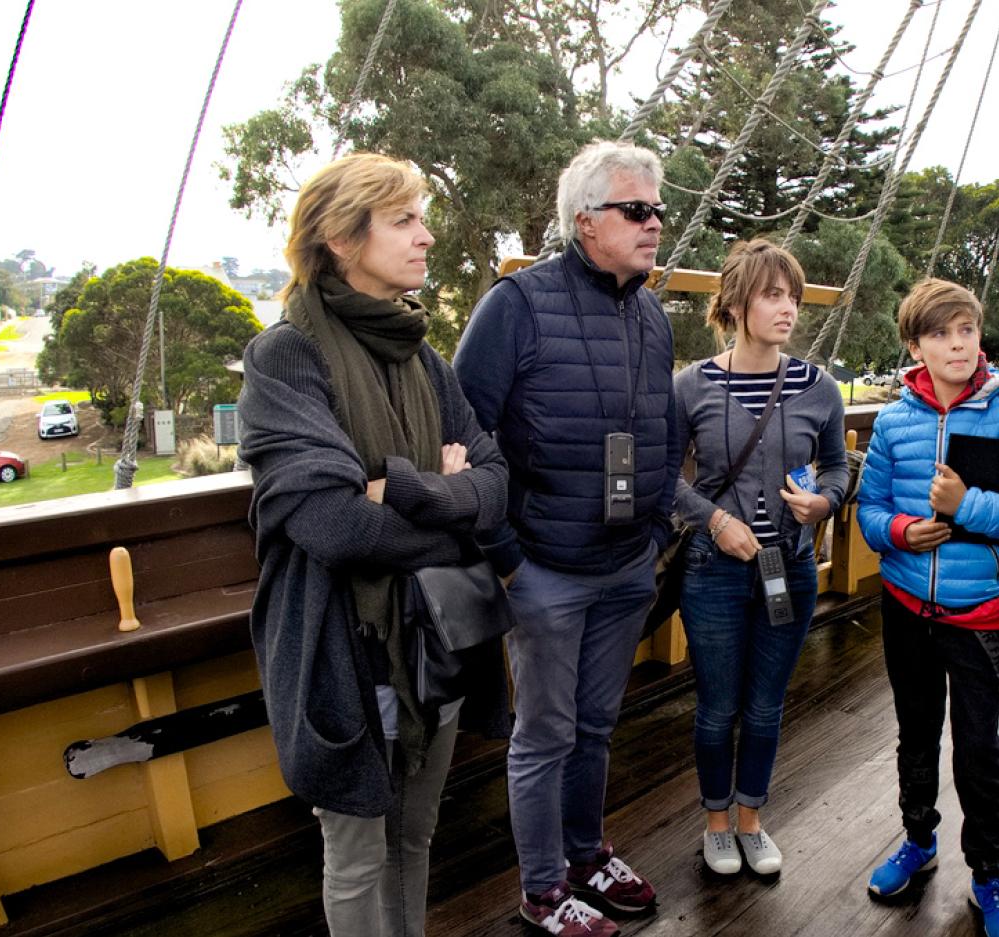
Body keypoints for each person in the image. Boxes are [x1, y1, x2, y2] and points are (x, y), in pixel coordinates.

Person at [237, 153, 511, 937]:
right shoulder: (286, 356)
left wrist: (406, 487)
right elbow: (335, 523)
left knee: (417, 833)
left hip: (435, 645)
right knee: (357, 853)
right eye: (404, 220)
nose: (427, 236)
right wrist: (451, 499)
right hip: (344, 649)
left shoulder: (425, 358)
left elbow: (495, 483)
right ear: (341, 237)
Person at [453, 140, 683, 937]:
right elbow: (463, 437)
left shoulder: (651, 314)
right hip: (543, 570)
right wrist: (509, 557)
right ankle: (543, 888)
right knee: (544, 734)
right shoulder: (515, 306)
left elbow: (664, 428)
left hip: (625, 567)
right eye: (637, 209)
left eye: (658, 209)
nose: (656, 222)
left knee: (595, 725)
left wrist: (654, 531)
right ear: (585, 222)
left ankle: (587, 855)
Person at [856, 278, 999, 937]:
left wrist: (964, 506)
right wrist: (899, 533)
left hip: (981, 615)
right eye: (942, 333)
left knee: (978, 747)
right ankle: (919, 841)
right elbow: (869, 511)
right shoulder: (893, 420)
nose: (958, 345)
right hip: (906, 608)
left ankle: (988, 873)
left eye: (967, 330)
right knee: (916, 735)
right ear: (916, 344)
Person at [671, 239, 848, 877]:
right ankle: (717, 823)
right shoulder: (690, 385)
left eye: (794, 297)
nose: (789, 309)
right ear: (737, 304)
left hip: (790, 569)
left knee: (768, 705)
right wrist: (715, 521)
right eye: (774, 295)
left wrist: (825, 502)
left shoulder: (818, 386)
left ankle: (751, 819)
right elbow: (665, 476)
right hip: (713, 573)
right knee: (718, 706)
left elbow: (837, 465)